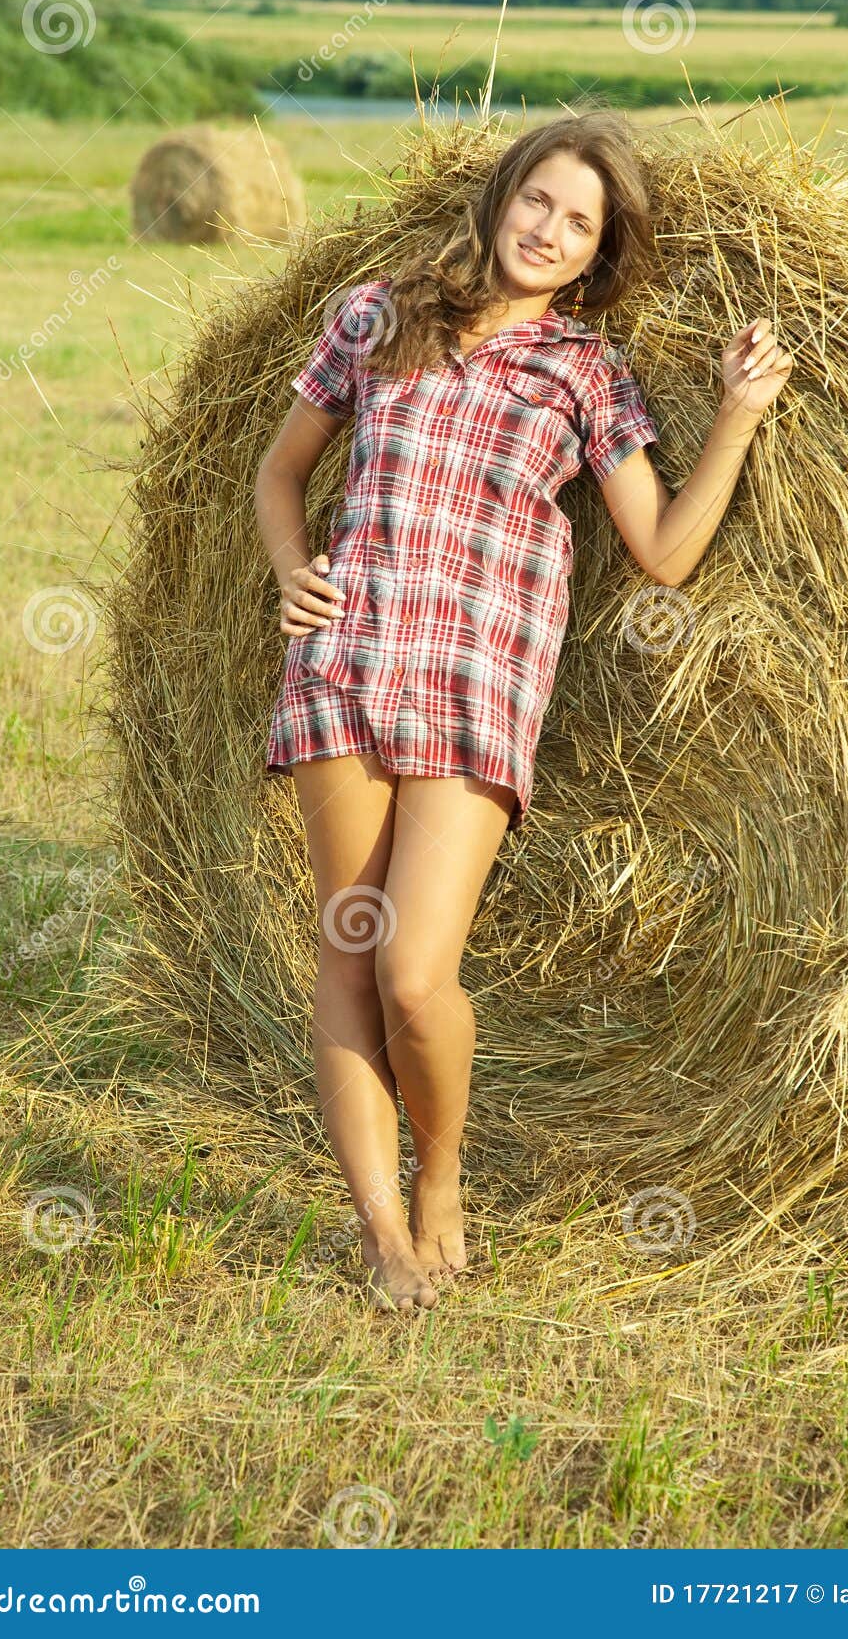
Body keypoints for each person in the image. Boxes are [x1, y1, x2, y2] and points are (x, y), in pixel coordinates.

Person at [255, 109, 792, 1315]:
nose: (548, 230)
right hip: (345, 667)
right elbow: (279, 469)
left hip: (477, 684)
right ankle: (384, 1229)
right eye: (537, 201)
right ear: (501, 199)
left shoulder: (585, 374)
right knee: (345, 962)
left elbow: (659, 550)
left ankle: (440, 1172)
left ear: (599, 253)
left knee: (410, 974)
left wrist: (738, 418)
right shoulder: (373, 315)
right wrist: (293, 569)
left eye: (579, 221)